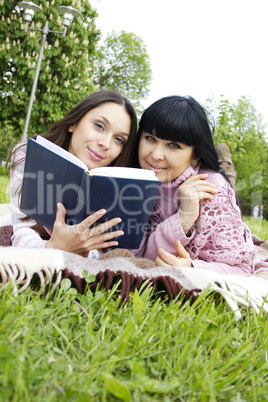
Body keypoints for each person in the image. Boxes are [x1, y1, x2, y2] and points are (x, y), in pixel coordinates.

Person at [131, 95, 259, 275]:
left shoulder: (214, 191)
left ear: (195, 155)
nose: (156, 155)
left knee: (224, 181)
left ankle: (226, 171)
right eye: (150, 138)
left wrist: (192, 268)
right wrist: (182, 220)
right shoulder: (132, 179)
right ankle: (226, 168)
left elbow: (241, 267)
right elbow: (137, 254)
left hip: (211, 184)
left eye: (173, 145)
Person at [10, 90, 137, 257]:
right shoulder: (27, 155)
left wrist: (83, 252)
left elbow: (111, 248)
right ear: (73, 123)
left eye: (119, 139)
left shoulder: (121, 186)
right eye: (99, 126)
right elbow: (21, 231)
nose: (106, 144)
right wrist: (53, 250)